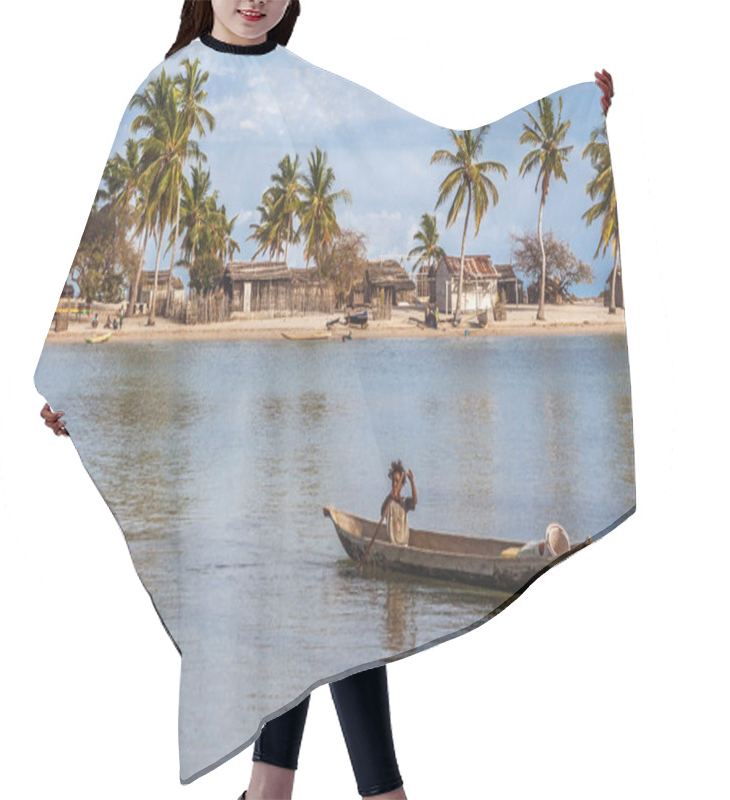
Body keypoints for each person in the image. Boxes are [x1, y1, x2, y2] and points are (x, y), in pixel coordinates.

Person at [40, 1, 616, 794]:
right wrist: (73, 392)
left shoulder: (311, 91)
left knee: (309, 606)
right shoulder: (164, 94)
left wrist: (575, 121)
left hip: (316, 410)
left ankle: (282, 791)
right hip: (223, 429)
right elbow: (120, 235)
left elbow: (423, 155)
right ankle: (358, 793)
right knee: (288, 602)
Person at [380, 460, 418, 547]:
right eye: (393, 481)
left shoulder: (404, 503)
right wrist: (390, 496)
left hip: (404, 545)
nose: (394, 484)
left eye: (397, 481)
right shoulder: (389, 502)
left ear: (402, 485)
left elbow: (414, 501)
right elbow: (382, 513)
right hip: (392, 545)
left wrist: (412, 482)